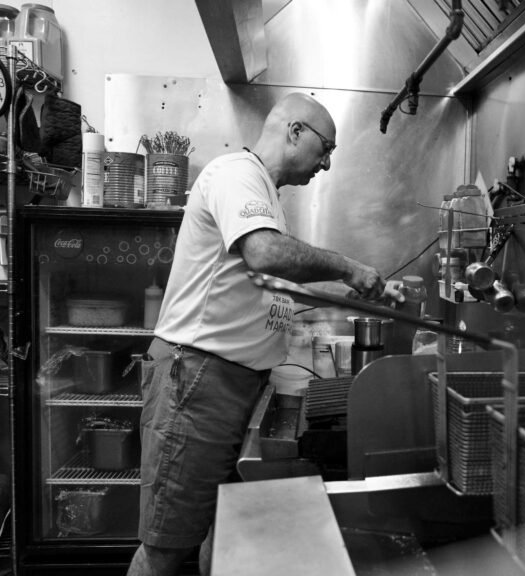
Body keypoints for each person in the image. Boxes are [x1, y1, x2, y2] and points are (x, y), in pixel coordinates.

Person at [127, 92, 401, 576]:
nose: (327, 162)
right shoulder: (237, 174)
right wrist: (351, 269)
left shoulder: (266, 196)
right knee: (166, 546)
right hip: (197, 380)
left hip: (226, 384)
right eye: (326, 147)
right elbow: (265, 255)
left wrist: (355, 295)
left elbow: (271, 295)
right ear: (295, 131)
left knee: (218, 524)